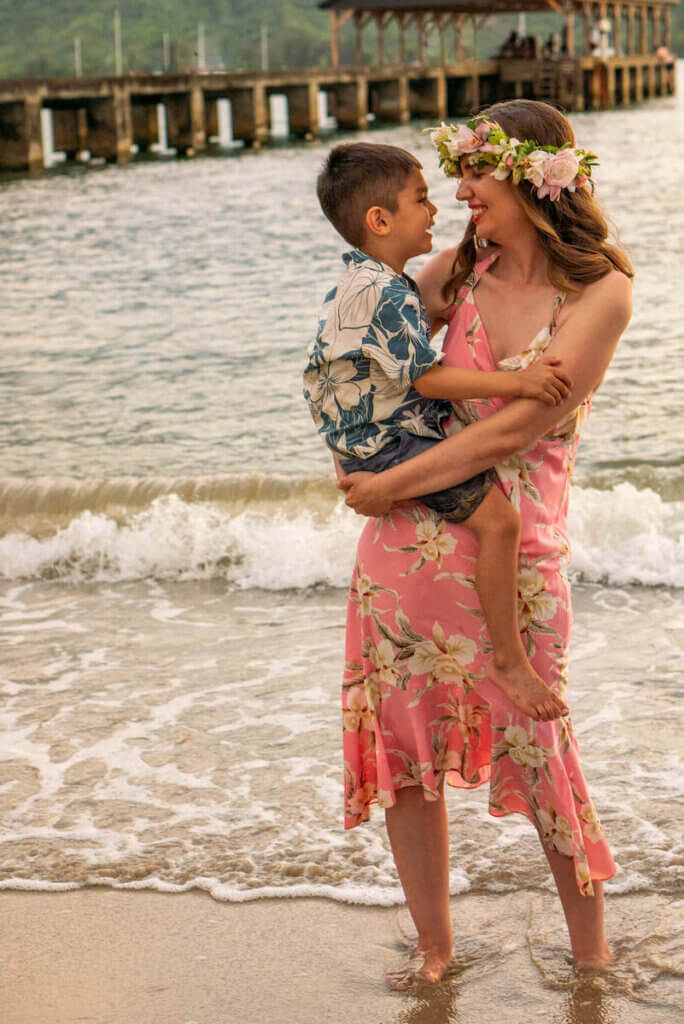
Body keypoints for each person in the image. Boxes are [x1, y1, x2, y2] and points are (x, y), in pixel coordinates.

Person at [337, 100, 633, 988]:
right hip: (407, 558)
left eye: (475, 174)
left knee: (542, 754)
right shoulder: (455, 273)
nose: (462, 193)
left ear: (533, 180)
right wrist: (350, 438)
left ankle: (592, 957)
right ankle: (435, 949)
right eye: (456, 176)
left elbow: (516, 431)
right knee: (407, 759)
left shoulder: (602, 292)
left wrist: (391, 481)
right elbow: (376, 352)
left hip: (519, 562)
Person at [304, 141, 572, 721]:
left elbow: (323, 375)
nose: (434, 209)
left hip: (361, 442)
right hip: (390, 445)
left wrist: (341, 454)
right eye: (420, 200)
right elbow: (429, 382)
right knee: (501, 522)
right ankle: (509, 660)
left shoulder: (353, 286)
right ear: (380, 221)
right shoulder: (393, 294)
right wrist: (522, 381)